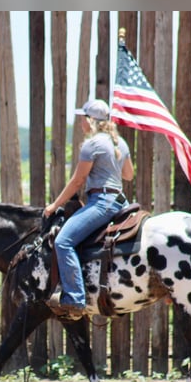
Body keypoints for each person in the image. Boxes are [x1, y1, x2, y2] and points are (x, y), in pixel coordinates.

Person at [43, 98, 135, 319]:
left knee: (63, 242)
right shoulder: (119, 143)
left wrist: (54, 205)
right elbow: (128, 175)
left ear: (91, 121)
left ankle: (74, 298)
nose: (81, 124)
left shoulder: (91, 145)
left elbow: (77, 181)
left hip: (102, 202)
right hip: (120, 201)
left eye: (83, 119)